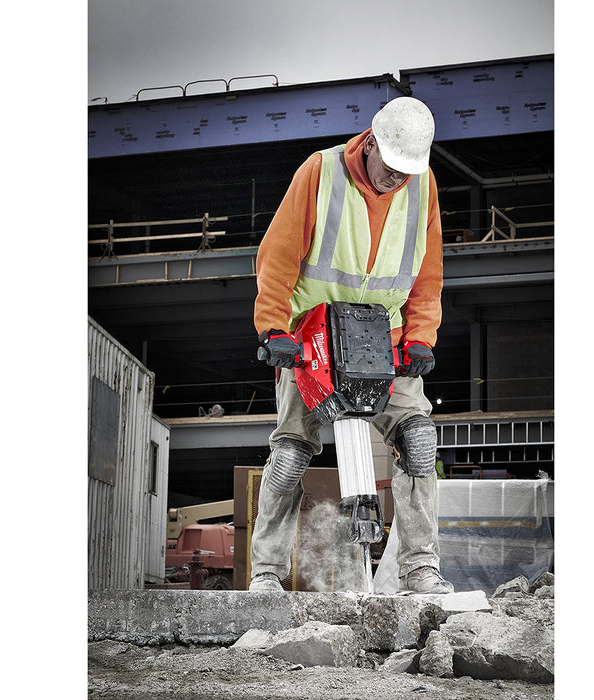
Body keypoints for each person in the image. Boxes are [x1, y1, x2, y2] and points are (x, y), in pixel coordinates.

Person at [250, 96, 453, 595]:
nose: (397, 178)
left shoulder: (421, 185)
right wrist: (273, 329)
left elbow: (428, 273)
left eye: (408, 171)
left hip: (384, 340)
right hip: (312, 339)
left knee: (418, 440)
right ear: (371, 143)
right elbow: (278, 256)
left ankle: (420, 567)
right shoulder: (321, 172)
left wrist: (421, 337)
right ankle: (266, 571)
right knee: (291, 453)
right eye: (392, 166)